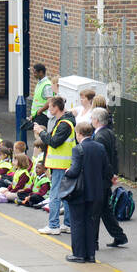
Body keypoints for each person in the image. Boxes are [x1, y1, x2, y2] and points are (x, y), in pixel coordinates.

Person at [62, 123, 111, 263]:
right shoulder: (100, 147)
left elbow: (75, 170)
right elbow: (107, 169)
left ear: (79, 134)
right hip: (96, 192)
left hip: (80, 192)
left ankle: (78, 254)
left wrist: (68, 171)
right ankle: (90, 255)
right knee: (91, 223)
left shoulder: (78, 149)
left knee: (77, 222)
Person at [36, 96, 76, 235]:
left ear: (56, 107)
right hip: (65, 163)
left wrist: (41, 133)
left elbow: (53, 142)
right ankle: (68, 224)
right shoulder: (66, 121)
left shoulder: (64, 124)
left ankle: (53, 225)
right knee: (66, 194)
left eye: (50, 107)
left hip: (60, 165)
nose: (48, 109)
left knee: (55, 195)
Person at [90, 107, 127, 247]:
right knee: (105, 210)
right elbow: (114, 155)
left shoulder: (99, 137)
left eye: (92, 118)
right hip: (106, 178)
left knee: (95, 211)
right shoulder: (109, 133)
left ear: (97, 120)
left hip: (101, 180)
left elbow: (102, 161)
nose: (91, 120)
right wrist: (114, 173)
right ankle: (119, 236)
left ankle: (93, 242)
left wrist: (109, 175)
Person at [26, 63, 53, 130]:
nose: (33, 75)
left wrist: (40, 111)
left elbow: (50, 100)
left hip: (43, 115)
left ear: (41, 72)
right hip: (38, 115)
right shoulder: (41, 83)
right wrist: (33, 115)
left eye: (35, 73)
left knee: (40, 135)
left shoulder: (47, 85)